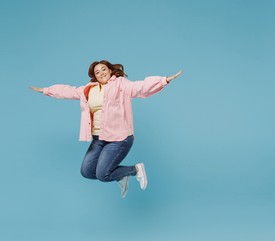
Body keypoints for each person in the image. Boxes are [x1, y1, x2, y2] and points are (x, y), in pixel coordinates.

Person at [30, 60, 182, 198]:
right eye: (97, 72)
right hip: (99, 138)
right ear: (94, 76)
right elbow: (68, 91)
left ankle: (135, 170)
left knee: (103, 174)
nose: (101, 73)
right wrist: (46, 90)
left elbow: (140, 87)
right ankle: (121, 176)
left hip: (119, 138)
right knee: (87, 172)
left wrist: (163, 80)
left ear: (110, 71)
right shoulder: (89, 89)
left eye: (104, 69)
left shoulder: (121, 84)